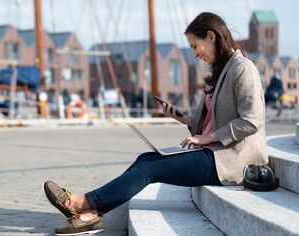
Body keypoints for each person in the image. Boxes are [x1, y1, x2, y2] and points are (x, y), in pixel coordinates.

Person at [43, 12, 268, 235]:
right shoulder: (220, 73)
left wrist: (207, 138)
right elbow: (210, 123)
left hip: (232, 159)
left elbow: (251, 121)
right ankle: (90, 216)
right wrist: (183, 118)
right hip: (213, 152)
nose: (195, 53)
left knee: (148, 168)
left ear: (211, 36)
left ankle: (79, 203)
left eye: (194, 45)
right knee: (145, 159)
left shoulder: (243, 68)